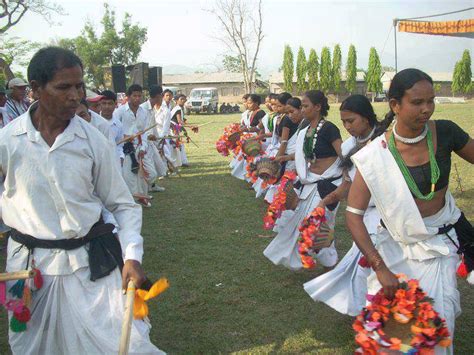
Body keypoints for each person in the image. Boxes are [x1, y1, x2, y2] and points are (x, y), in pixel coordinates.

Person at [0, 46, 163, 354]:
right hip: (28, 270)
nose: (75, 96)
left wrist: (132, 256)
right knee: (32, 346)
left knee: (117, 343)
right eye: (64, 87)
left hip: (89, 264)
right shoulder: (8, 141)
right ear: (35, 89)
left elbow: (122, 204)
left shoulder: (93, 141)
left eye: (79, 86)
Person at [346, 69, 473, 352]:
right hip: (397, 251)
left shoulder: (446, 132)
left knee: (438, 324)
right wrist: (379, 267)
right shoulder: (375, 154)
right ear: (394, 105)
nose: (426, 109)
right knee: (397, 335)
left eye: (431, 100)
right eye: (417, 102)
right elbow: (353, 215)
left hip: (440, 243)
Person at [303, 94, 380, 316]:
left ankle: (373, 314)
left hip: (386, 217)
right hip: (362, 217)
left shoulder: (384, 142)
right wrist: (324, 202)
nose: (346, 126)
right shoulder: (348, 146)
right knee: (362, 267)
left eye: (351, 121)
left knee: (370, 266)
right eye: (344, 121)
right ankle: (365, 312)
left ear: (367, 118)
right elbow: (347, 184)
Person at [263, 90, 343, 270]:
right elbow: (303, 156)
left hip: (328, 184)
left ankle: (330, 263)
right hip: (310, 182)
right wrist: (283, 158)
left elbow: (343, 155)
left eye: (306, 106)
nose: (303, 109)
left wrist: (346, 182)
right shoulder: (306, 131)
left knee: (316, 224)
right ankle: (329, 262)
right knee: (309, 224)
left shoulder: (329, 128)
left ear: (318, 107)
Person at [114, 84, 158, 207]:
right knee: (130, 176)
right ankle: (134, 200)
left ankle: (141, 195)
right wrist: (125, 137)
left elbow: (143, 132)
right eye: (134, 96)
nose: (137, 98)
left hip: (140, 146)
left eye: (139, 96)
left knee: (150, 174)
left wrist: (143, 147)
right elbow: (115, 130)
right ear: (128, 97)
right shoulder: (120, 111)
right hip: (125, 148)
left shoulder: (143, 112)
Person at [140, 85, 168, 191]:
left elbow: (153, 126)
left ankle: (151, 186)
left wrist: (158, 138)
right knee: (150, 171)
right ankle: (144, 188)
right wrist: (148, 136)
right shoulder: (142, 108)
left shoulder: (151, 109)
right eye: (162, 96)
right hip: (142, 142)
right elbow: (140, 127)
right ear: (158, 96)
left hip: (150, 142)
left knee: (159, 166)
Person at [100, 89, 125, 167]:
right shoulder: (93, 122)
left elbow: (119, 145)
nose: (107, 107)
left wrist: (121, 157)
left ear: (115, 104)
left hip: (114, 162)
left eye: (110, 103)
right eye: (104, 103)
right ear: (99, 104)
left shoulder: (118, 125)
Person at [170, 94, 189, 167]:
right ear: (176, 101)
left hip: (176, 127)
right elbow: (179, 121)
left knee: (179, 145)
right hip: (173, 129)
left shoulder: (179, 108)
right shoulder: (177, 109)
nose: (183, 101)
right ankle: (181, 162)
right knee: (177, 145)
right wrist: (190, 126)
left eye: (184, 99)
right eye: (181, 99)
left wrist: (184, 129)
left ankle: (182, 161)